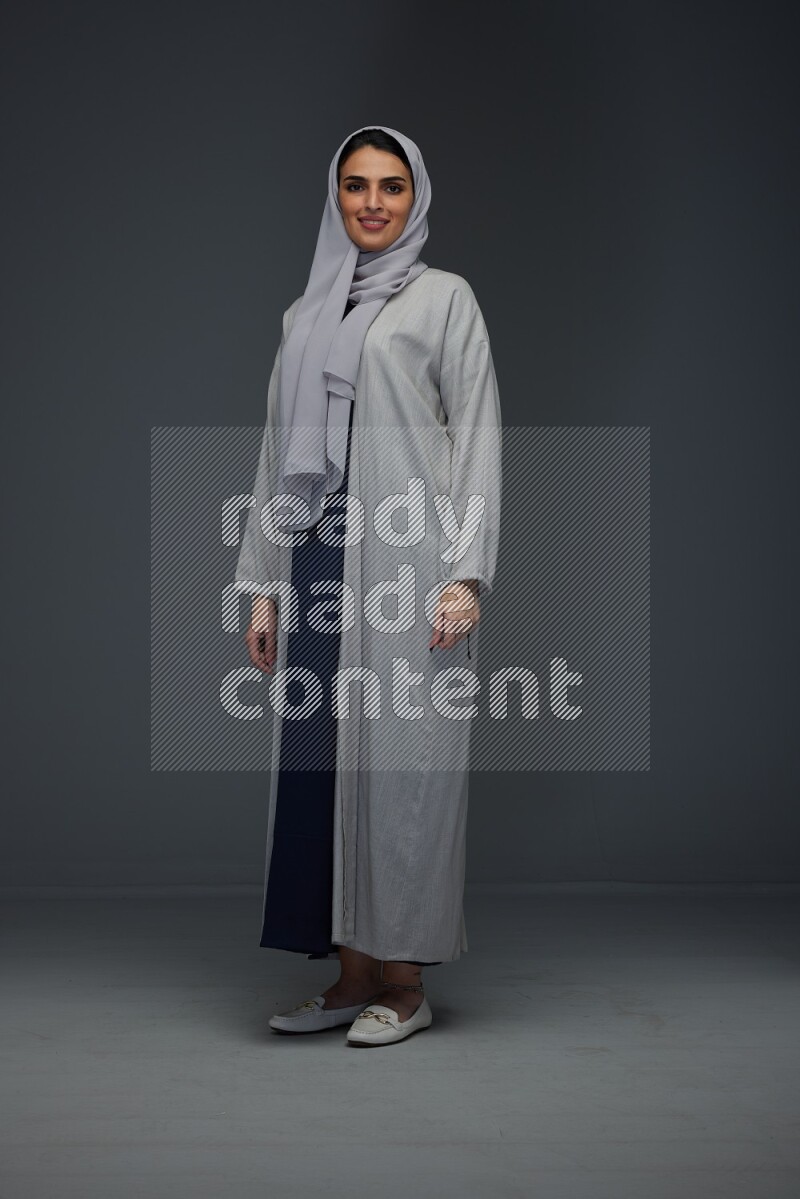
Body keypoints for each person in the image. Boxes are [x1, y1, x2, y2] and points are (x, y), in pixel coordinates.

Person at [235, 125, 502, 1046]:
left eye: (392, 186)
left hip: (408, 563)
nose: (374, 203)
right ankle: (350, 975)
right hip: (318, 557)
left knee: (405, 769)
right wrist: (264, 587)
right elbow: (278, 460)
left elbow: (478, 438)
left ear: (415, 196)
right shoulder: (304, 314)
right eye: (356, 186)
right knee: (323, 766)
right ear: (336, 196)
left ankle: (406, 981)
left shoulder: (444, 301)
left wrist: (465, 571)